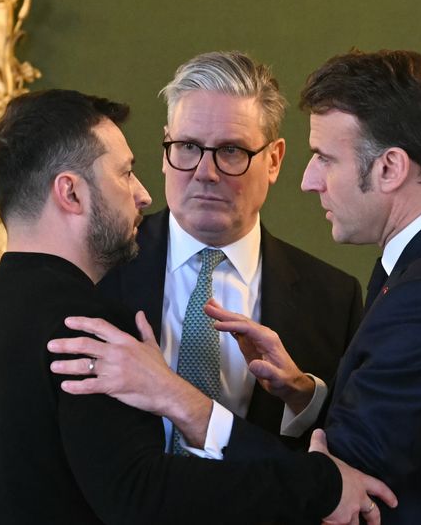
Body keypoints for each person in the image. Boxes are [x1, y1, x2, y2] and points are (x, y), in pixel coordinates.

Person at [51, 51, 421, 523]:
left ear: (389, 167)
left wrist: (183, 403)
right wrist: (306, 397)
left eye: (231, 150)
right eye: (186, 147)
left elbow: (341, 487)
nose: (309, 180)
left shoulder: (389, 296)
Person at [0, 89, 394, 524]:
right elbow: (143, 493)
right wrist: (320, 485)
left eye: (231, 150)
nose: (143, 193)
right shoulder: (93, 328)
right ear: (71, 192)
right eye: (125, 173)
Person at [96, 51, 363, 455]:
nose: (205, 172)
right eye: (188, 146)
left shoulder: (333, 299)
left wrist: (301, 394)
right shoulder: (98, 268)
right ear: (166, 148)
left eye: (232, 151)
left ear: (273, 160)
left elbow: (347, 445)